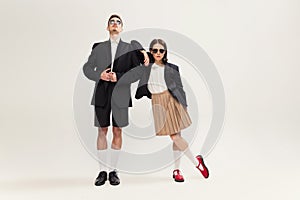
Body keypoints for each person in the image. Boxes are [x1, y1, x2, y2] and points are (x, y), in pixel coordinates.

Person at [120, 39, 209, 182]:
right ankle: (190, 164)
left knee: (176, 137)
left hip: (172, 100)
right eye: (154, 50)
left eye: (161, 50)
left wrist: (184, 105)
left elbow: (180, 88)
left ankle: (190, 166)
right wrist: (144, 53)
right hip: (157, 103)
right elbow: (133, 43)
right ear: (151, 51)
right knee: (176, 137)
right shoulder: (146, 66)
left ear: (165, 52)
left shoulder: (172, 68)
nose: (158, 53)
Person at [82, 14, 149, 186]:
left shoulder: (129, 48)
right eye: (112, 22)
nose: (114, 24)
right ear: (107, 27)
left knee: (118, 131)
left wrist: (118, 77)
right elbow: (87, 68)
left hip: (120, 95)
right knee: (102, 131)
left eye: (118, 22)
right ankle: (102, 171)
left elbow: (139, 71)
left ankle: (113, 170)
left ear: (121, 28)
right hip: (101, 95)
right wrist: (100, 75)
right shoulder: (98, 47)